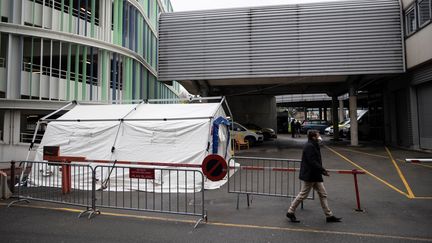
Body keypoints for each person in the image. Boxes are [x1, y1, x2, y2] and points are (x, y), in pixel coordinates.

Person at [286, 130, 342, 223]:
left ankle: (329, 215)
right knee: (303, 195)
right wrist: (323, 170)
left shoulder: (313, 144)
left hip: (315, 175)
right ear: (313, 137)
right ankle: (290, 211)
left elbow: (315, 161)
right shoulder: (309, 146)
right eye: (318, 135)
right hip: (310, 175)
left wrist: (322, 171)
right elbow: (312, 162)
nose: (320, 136)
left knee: (323, 194)